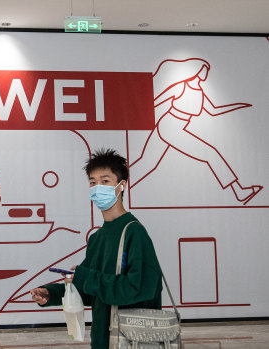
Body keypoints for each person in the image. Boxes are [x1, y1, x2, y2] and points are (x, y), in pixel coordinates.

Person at [30, 148, 162, 348]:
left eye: (105, 181)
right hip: (102, 341)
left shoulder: (135, 233)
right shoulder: (97, 238)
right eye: (93, 182)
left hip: (131, 341)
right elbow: (91, 291)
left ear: (121, 186)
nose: (97, 187)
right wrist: (52, 294)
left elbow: (139, 290)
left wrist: (87, 277)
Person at [130, 58, 261, 204]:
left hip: (175, 126)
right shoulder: (181, 87)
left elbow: (214, 111)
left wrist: (238, 106)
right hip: (169, 126)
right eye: (204, 68)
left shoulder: (200, 92)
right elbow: (155, 102)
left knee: (146, 163)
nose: (206, 71)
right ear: (197, 70)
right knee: (211, 154)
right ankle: (239, 191)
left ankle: (115, 190)